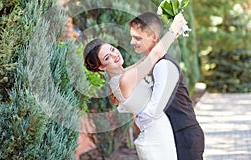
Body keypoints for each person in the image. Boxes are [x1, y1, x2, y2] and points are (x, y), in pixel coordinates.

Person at [84, 13, 187, 159]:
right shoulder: (125, 79)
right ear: (101, 67)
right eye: (107, 57)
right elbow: (155, 55)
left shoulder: (123, 75)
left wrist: (170, 36)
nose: (114, 55)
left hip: (156, 130)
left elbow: (147, 57)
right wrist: (173, 29)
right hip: (155, 134)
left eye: (112, 49)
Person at [128, 12, 204, 160]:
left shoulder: (164, 65)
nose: (132, 42)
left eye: (137, 38)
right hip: (173, 135)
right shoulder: (151, 64)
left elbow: (155, 109)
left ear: (154, 37)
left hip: (184, 136)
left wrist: (138, 122)